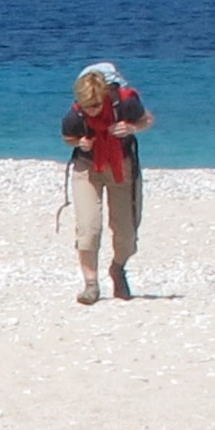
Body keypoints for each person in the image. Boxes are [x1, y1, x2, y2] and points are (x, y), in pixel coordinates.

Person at [61, 61, 153, 304]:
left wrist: (132, 127)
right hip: (87, 168)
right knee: (88, 228)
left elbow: (148, 121)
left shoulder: (125, 103)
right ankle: (91, 284)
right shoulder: (75, 115)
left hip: (121, 165)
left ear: (105, 96)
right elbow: (67, 138)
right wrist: (79, 143)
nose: (90, 111)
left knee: (126, 232)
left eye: (95, 105)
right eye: (86, 106)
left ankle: (118, 267)